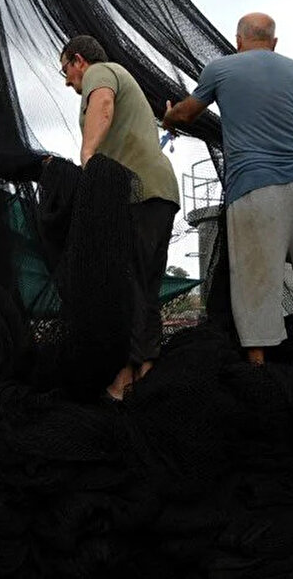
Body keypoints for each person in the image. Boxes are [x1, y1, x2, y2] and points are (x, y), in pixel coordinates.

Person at [162, 12, 293, 364]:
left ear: (238, 40)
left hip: (252, 184)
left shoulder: (220, 69)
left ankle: (257, 357)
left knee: (254, 270)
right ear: (274, 42)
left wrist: (168, 116)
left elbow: (184, 114)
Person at [60, 35, 180, 400]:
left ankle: (124, 379)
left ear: (79, 61)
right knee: (145, 286)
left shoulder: (101, 72)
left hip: (138, 194)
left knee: (124, 284)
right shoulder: (122, 77)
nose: (67, 81)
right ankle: (146, 372)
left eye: (65, 70)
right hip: (162, 193)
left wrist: (87, 156)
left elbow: (103, 103)